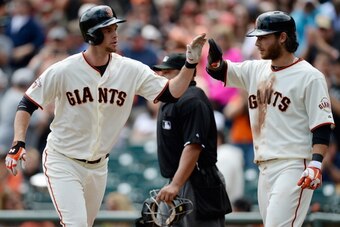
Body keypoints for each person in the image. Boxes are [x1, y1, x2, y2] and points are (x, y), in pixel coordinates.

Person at [4, 5, 206, 227]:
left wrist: (189, 65)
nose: (115, 33)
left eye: (114, 28)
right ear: (93, 34)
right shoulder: (64, 70)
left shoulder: (130, 69)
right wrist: (18, 142)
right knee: (76, 224)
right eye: (108, 29)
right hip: (63, 160)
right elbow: (27, 103)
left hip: (99, 165)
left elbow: (170, 92)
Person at [206, 11, 335, 227]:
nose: (257, 43)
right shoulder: (256, 69)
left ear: (282, 37)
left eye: (263, 37)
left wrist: (315, 164)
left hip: (294, 165)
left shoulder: (310, 76)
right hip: (264, 167)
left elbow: (322, 126)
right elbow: (221, 71)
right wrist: (215, 63)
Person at [153, 53, 231, 227]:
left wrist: (176, 184)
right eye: (161, 71)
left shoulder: (193, 100)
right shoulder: (170, 99)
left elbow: (194, 146)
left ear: (186, 73)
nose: (161, 75)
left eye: (167, 72)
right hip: (177, 180)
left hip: (198, 182)